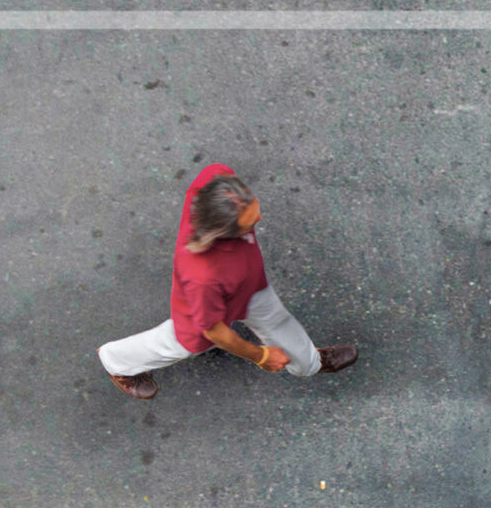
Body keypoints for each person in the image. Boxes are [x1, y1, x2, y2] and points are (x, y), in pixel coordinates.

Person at [98, 163, 358, 400]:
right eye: (248, 224)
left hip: (250, 286)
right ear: (221, 233)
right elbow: (215, 330)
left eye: (253, 205)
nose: (259, 219)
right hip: (207, 310)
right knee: (181, 344)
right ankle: (117, 361)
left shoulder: (217, 178)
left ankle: (311, 362)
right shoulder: (202, 277)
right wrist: (261, 356)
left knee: (278, 320)